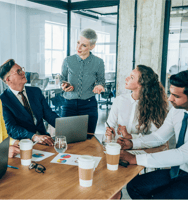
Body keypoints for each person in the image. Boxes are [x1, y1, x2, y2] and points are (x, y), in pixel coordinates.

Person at [118, 70, 188, 199]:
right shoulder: (177, 111)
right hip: (179, 170)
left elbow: (183, 154)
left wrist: (135, 159)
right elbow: (159, 136)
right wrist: (132, 143)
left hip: (185, 169)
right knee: (134, 186)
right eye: (170, 94)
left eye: (176, 96)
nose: (169, 99)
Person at [0, 59, 59, 146]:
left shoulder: (35, 92)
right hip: (23, 144)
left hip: (45, 140)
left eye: (22, 69)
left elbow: (49, 115)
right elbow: (11, 128)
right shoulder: (3, 101)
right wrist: (34, 136)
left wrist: (64, 125)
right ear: (8, 79)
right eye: (18, 71)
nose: (24, 73)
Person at [60, 28, 105, 138]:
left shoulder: (98, 62)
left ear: (92, 46)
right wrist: (64, 85)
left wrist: (99, 86)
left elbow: (101, 81)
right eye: (78, 43)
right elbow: (62, 78)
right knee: (65, 138)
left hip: (89, 105)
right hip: (69, 104)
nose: (78, 47)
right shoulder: (68, 60)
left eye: (84, 45)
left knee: (88, 139)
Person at [105, 65, 168, 140]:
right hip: (119, 146)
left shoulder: (154, 105)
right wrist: (109, 132)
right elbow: (110, 125)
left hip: (142, 149)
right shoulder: (119, 100)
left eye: (131, 77)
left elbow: (156, 137)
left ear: (141, 84)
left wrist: (130, 136)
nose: (126, 79)